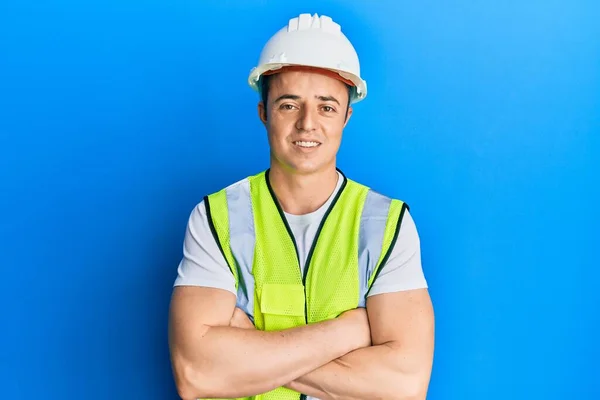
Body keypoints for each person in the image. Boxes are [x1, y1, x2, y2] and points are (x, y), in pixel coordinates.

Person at [168, 12, 434, 400]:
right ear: (263, 113)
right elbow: (197, 374)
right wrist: (348, 332)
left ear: (347, 116)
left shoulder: (386, 224)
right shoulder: (215, 218)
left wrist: (250, 352)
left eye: (326, 106)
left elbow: (404, 387)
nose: (308, 123)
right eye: (289, 105)